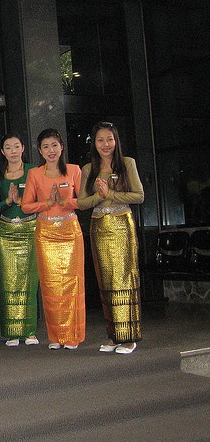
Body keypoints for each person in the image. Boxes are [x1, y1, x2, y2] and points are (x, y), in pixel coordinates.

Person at [77, 121, 144, 354]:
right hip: (99, 226)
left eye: (109, 139)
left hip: (122, 224)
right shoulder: (88, 169)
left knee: (124, 279)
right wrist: (99, 196)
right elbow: (82, 203)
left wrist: (111, 194)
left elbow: (139, 196)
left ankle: (128, 337)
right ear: (94, 143)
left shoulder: (127, 163)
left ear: (116, 141)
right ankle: (114, 336)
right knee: (105, 281)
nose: (106, 144)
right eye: (100, 140)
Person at [21, 128, 85, 350]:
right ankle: (56, 337)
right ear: (40, 151)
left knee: (72, 282)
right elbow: (26, 206)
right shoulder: (34, 174)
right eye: (46, 146)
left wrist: (66, 202)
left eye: (54, 145)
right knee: (50, 285)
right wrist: (47, 204)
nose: (51, 150)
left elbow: (84, 201)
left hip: (70, 230)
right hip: (46, 232)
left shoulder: (74, 170)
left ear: (61, 147)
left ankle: (72, 335)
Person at [0, 133, 39, 347]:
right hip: (6, 232)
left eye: (16, 146)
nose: (13, 151)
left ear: (23, 148)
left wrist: (22, 202)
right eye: (8, 147)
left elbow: (41, 201)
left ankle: (30, 332)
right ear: (2, 152)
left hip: (30, 229)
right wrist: (8, 201)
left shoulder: (34, 171)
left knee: (29, 281)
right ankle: (12, 332)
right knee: (8, 282)